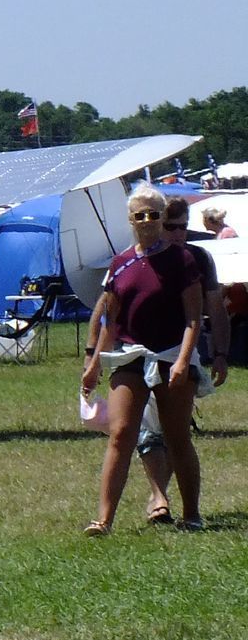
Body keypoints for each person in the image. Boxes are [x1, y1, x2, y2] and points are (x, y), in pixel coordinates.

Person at [81, 185, 205, 535]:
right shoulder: (120, 264)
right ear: (130, 220)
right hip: (130, 356)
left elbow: (193, 318)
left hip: (170, 355)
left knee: (177, 435)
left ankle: (192, 514)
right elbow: (110, 320)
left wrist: (182, 362)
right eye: (141, 215)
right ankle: (103, 520)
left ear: (162, 218)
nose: (148, 221)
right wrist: (93, 364)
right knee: (120, 433)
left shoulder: (181, 260)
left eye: (154, 214)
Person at [130, 196, 230, 524]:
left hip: (184, 353)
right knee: (147, 431)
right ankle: (159, 496)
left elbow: (215, 307)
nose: (177, 233)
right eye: (171, 226)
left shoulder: (198, 258)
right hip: (140, 353)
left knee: (176, 430)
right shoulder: (137, 256)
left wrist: (220, 353)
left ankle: (164, 498)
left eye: (183, 227)